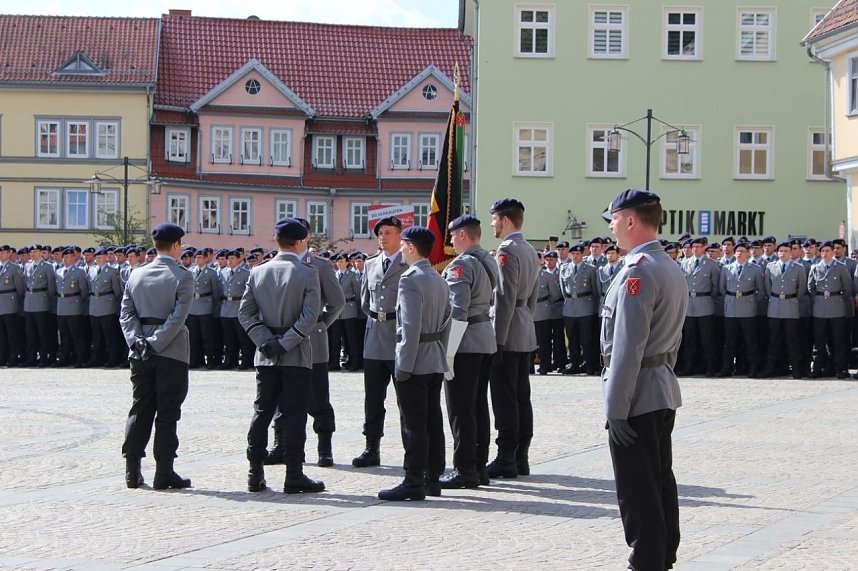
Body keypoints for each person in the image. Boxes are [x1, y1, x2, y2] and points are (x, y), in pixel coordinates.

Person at [600, 188, 685, 571]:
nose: (611, 225)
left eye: (614, 218)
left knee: (637, 486)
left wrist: (616, 408)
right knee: (658, 479)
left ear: (631, 220)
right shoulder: (667, 264)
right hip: (660, 385)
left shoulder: (639, 271)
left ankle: (646, 558)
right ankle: (663, 552)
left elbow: (627, 346)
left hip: (637, 393)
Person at [239, 218, 324, 494]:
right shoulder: (307, 272)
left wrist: (266, 341)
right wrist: (285, 343)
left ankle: (254, 472)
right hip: (295, 353)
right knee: (295, 414)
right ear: (299, 242)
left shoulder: (258, 271)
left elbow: (245, 313)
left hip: (266, 355)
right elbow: (310, 316)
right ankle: (294, 474)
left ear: (276, 241)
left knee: (262, 412)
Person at [119, 223, 194, 490]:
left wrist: (137, 340)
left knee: (140, 407)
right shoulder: (182, 276)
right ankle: (164, 471)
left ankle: (132, 469)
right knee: (168, 411)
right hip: (170, 351)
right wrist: (155, 342)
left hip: (139, 351)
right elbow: (177, 317)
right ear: (175, 245)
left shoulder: (136, 274)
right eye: (180, 245)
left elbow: (126, 314)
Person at [378, 226, 451, 501]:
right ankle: (433, 478)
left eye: (403, 245)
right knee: (433, 420)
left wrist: (403, 366)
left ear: (410, 247)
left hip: (415, 358)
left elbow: (409, 327)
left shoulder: (410, 280)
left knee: (413, 423)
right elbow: (447, 320)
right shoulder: (438, 278)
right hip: (434, 356)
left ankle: (413, 480)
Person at [439, 215, 497, 489]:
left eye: (452, 235)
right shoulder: (487, 260)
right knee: (477, 406)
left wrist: (448, 352)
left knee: (460, 408)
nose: (450, 241)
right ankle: (479, 465)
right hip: (484, 338)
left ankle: (465, 468)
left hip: (465, 342)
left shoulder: (462, 265)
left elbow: (457, 312)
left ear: (462, 235)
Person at [487, 198, 539, 479]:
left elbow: (504, 297)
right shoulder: (529, 249)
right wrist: (525, 321)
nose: (493, 224)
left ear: (505, 220)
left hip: (507, 330)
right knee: (522, 397)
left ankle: (506, 456)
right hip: (524, 327)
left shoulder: (507, 251)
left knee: (505, 398)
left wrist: (497, 339)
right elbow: (532, 296)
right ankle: (521, 456)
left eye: (495, 218)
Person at [353, 217, 408, 468]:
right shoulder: (370, 264)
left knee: (405, 400)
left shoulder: (409, 264)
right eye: (380, 234)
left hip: (399, 336)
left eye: (388, 233)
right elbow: (365, 302)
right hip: (375, 337)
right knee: (373, 399)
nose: (383, 238)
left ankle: (412, 450)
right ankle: (371, 447)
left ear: (400, 236)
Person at [759, 242, 807, 379]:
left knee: (792, 339)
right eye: (780, 251)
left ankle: (796, 369)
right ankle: (771, 367)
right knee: (774, 339)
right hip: (774, 305)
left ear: (790, 252)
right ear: (777, 252)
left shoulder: (798, 268)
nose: (783, 253)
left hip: (791, 304)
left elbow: (801, 289)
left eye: (786, 251)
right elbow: (767, 288)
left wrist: (791, 298)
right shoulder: (770, 267)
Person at [718, 242, 765, 377]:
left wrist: (750, 301)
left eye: (742, 251)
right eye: (737, 251)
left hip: (748, 307)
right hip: (731, 308)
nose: (739, 253)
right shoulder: (727, 269)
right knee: (730, 341)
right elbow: (722, 288)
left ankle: (753, 368)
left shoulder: (755, 269)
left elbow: (761, 291)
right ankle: (727, 368)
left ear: (748, 253)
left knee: (750, 341)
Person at [808, 241, 853, 379]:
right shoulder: (815, 267)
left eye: (828, 250)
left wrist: (838, 301)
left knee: (837, 340)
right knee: (820, 341)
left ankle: (839, 368)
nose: (825, 253)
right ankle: (819, 368)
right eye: (823, 251)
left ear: (833, 252)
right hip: (820, 308)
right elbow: (811, 288)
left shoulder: (840, 267)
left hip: (836, 307)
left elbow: (847, 288)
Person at [558, 241, 600, 375]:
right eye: (573, 253)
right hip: (570, 306)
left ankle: (589, 364)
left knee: (586, 339)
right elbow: (563, 288)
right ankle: (574, 363)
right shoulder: (565, 268)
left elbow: (595, 290)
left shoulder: (590, 269)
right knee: (572, 338)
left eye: (578, 253)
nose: (575, 256)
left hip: (586, 306)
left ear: (583, 254)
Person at [54, 247, 90, 367]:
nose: (65, 259)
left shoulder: (79, 271)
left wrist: (77, 302)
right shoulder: (59, 271)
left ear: (74, 257)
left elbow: (84, 291)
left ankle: (81, 358)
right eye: (63, 257)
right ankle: (64, 357)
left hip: (74, 305)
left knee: (77, 335)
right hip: (61, 306)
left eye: (68, 257)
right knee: (64, 336)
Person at [0, 245, 25, 366]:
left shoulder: (14, 268)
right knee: (1, 334)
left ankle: (14, 356)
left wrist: (17, 302)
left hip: (10, 303)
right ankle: (2, 356)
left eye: (3, 252)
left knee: (12, 333)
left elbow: (20, 288)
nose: (1, 255)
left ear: (9, 254)